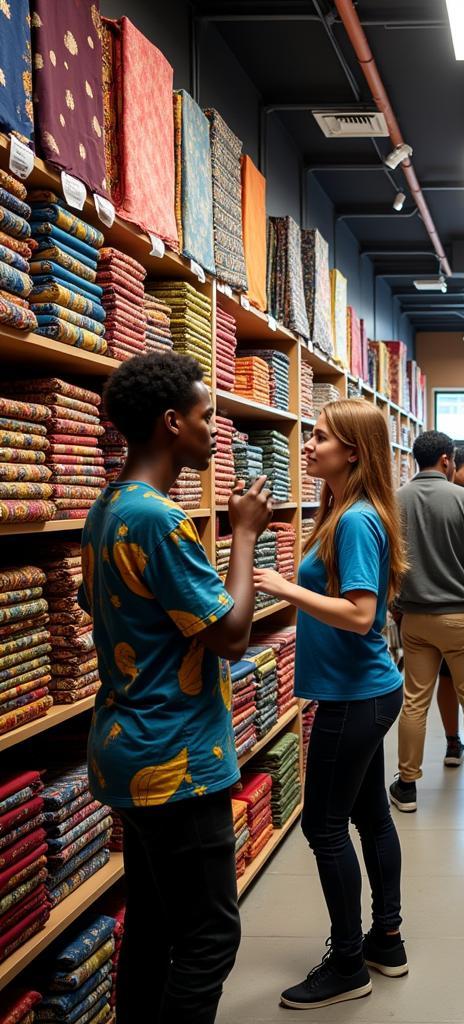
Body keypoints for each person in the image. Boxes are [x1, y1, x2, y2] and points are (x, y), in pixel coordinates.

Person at [79, 352, 273, 1023]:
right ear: (170, 423)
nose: (214, 431)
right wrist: (244, 535)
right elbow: (231, 635)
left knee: (156, 922)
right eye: (206, 416)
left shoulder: (110, 507)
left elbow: (99, 602)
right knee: (209, 938)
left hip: (125, 749)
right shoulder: (160, 519)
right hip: (176, 758)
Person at [253, 399, 409, 1009]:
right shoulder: (344, 511)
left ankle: (348, 963)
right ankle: (384, 941)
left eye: (319, 437)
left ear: (352, 451)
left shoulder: (355, 521)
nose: (308, 444)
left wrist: (285, 587)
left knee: (322, 824)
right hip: (361, 692)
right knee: (370, 817)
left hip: (354, 697)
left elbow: (362, 614)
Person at [389, 431, 464, 813]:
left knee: (414, 702)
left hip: (415, 617)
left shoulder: (394, 501)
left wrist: (397, 604)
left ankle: (407, 785)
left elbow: (389, 560)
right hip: (463, 617)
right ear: (447, 460)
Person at [433, 445, 464, 764]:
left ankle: (455, 742)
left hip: (426, 607)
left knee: (447, 679)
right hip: (461, 608)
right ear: (450, 467)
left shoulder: (419, 499)